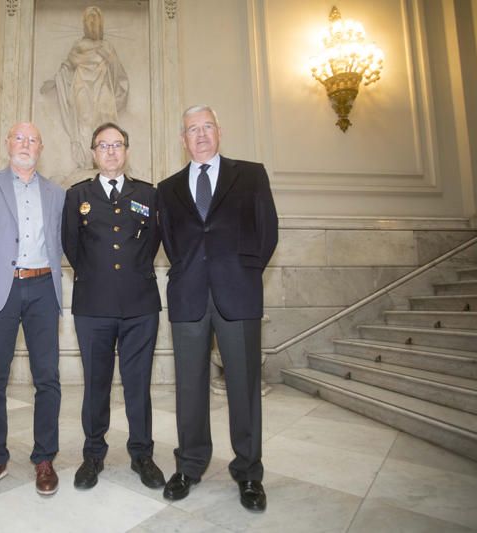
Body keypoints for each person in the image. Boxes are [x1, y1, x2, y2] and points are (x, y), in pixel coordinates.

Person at [156, 105, 278, 511]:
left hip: (238, 295)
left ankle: (248, 472)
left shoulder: (251, 174)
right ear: (183, 139)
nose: (201, 134)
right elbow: (171, 243)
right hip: (188, 296)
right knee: (189, 387)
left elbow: (268, 231)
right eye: (193, 129)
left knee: (243, 387)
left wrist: (243, 272)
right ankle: (190, 465)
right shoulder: (167, 187)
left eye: (207, 126)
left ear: (219, 131)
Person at [0, 122, 65, 497]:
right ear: (7, 144)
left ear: (41, 147)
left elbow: (62, 243)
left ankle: (44, 457)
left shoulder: (57, 193)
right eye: (18, 138)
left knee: (48, 378)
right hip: (1, 291)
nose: (25, 144)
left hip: (42, 289)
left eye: (32, 139)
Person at [62, 122, 165, 490]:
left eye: (117, 145)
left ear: (126, 150)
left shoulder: (149, 194)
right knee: (96, 384)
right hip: (92, 305)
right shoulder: (77, 196)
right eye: (103, 146)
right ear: (93, 153)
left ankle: (142, 455)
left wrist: (130, 275)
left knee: (138, 384)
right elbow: (72, 247)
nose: (110, 152)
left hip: (140, 305)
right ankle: (93, 455)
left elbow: (152, 244)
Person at [41, 6, 129, 170]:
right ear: (84, 25)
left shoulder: (107, 48)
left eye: (95, 20)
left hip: (102, 90)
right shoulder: (79, 46)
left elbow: (118, 73)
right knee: (84, 123)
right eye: (89, 20)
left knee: (105, 122)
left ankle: (104, 164)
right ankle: (87, 163)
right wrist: (53, 82)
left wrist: (119, 92)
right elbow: (66, 68)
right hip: (82, 88)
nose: (92, 23)